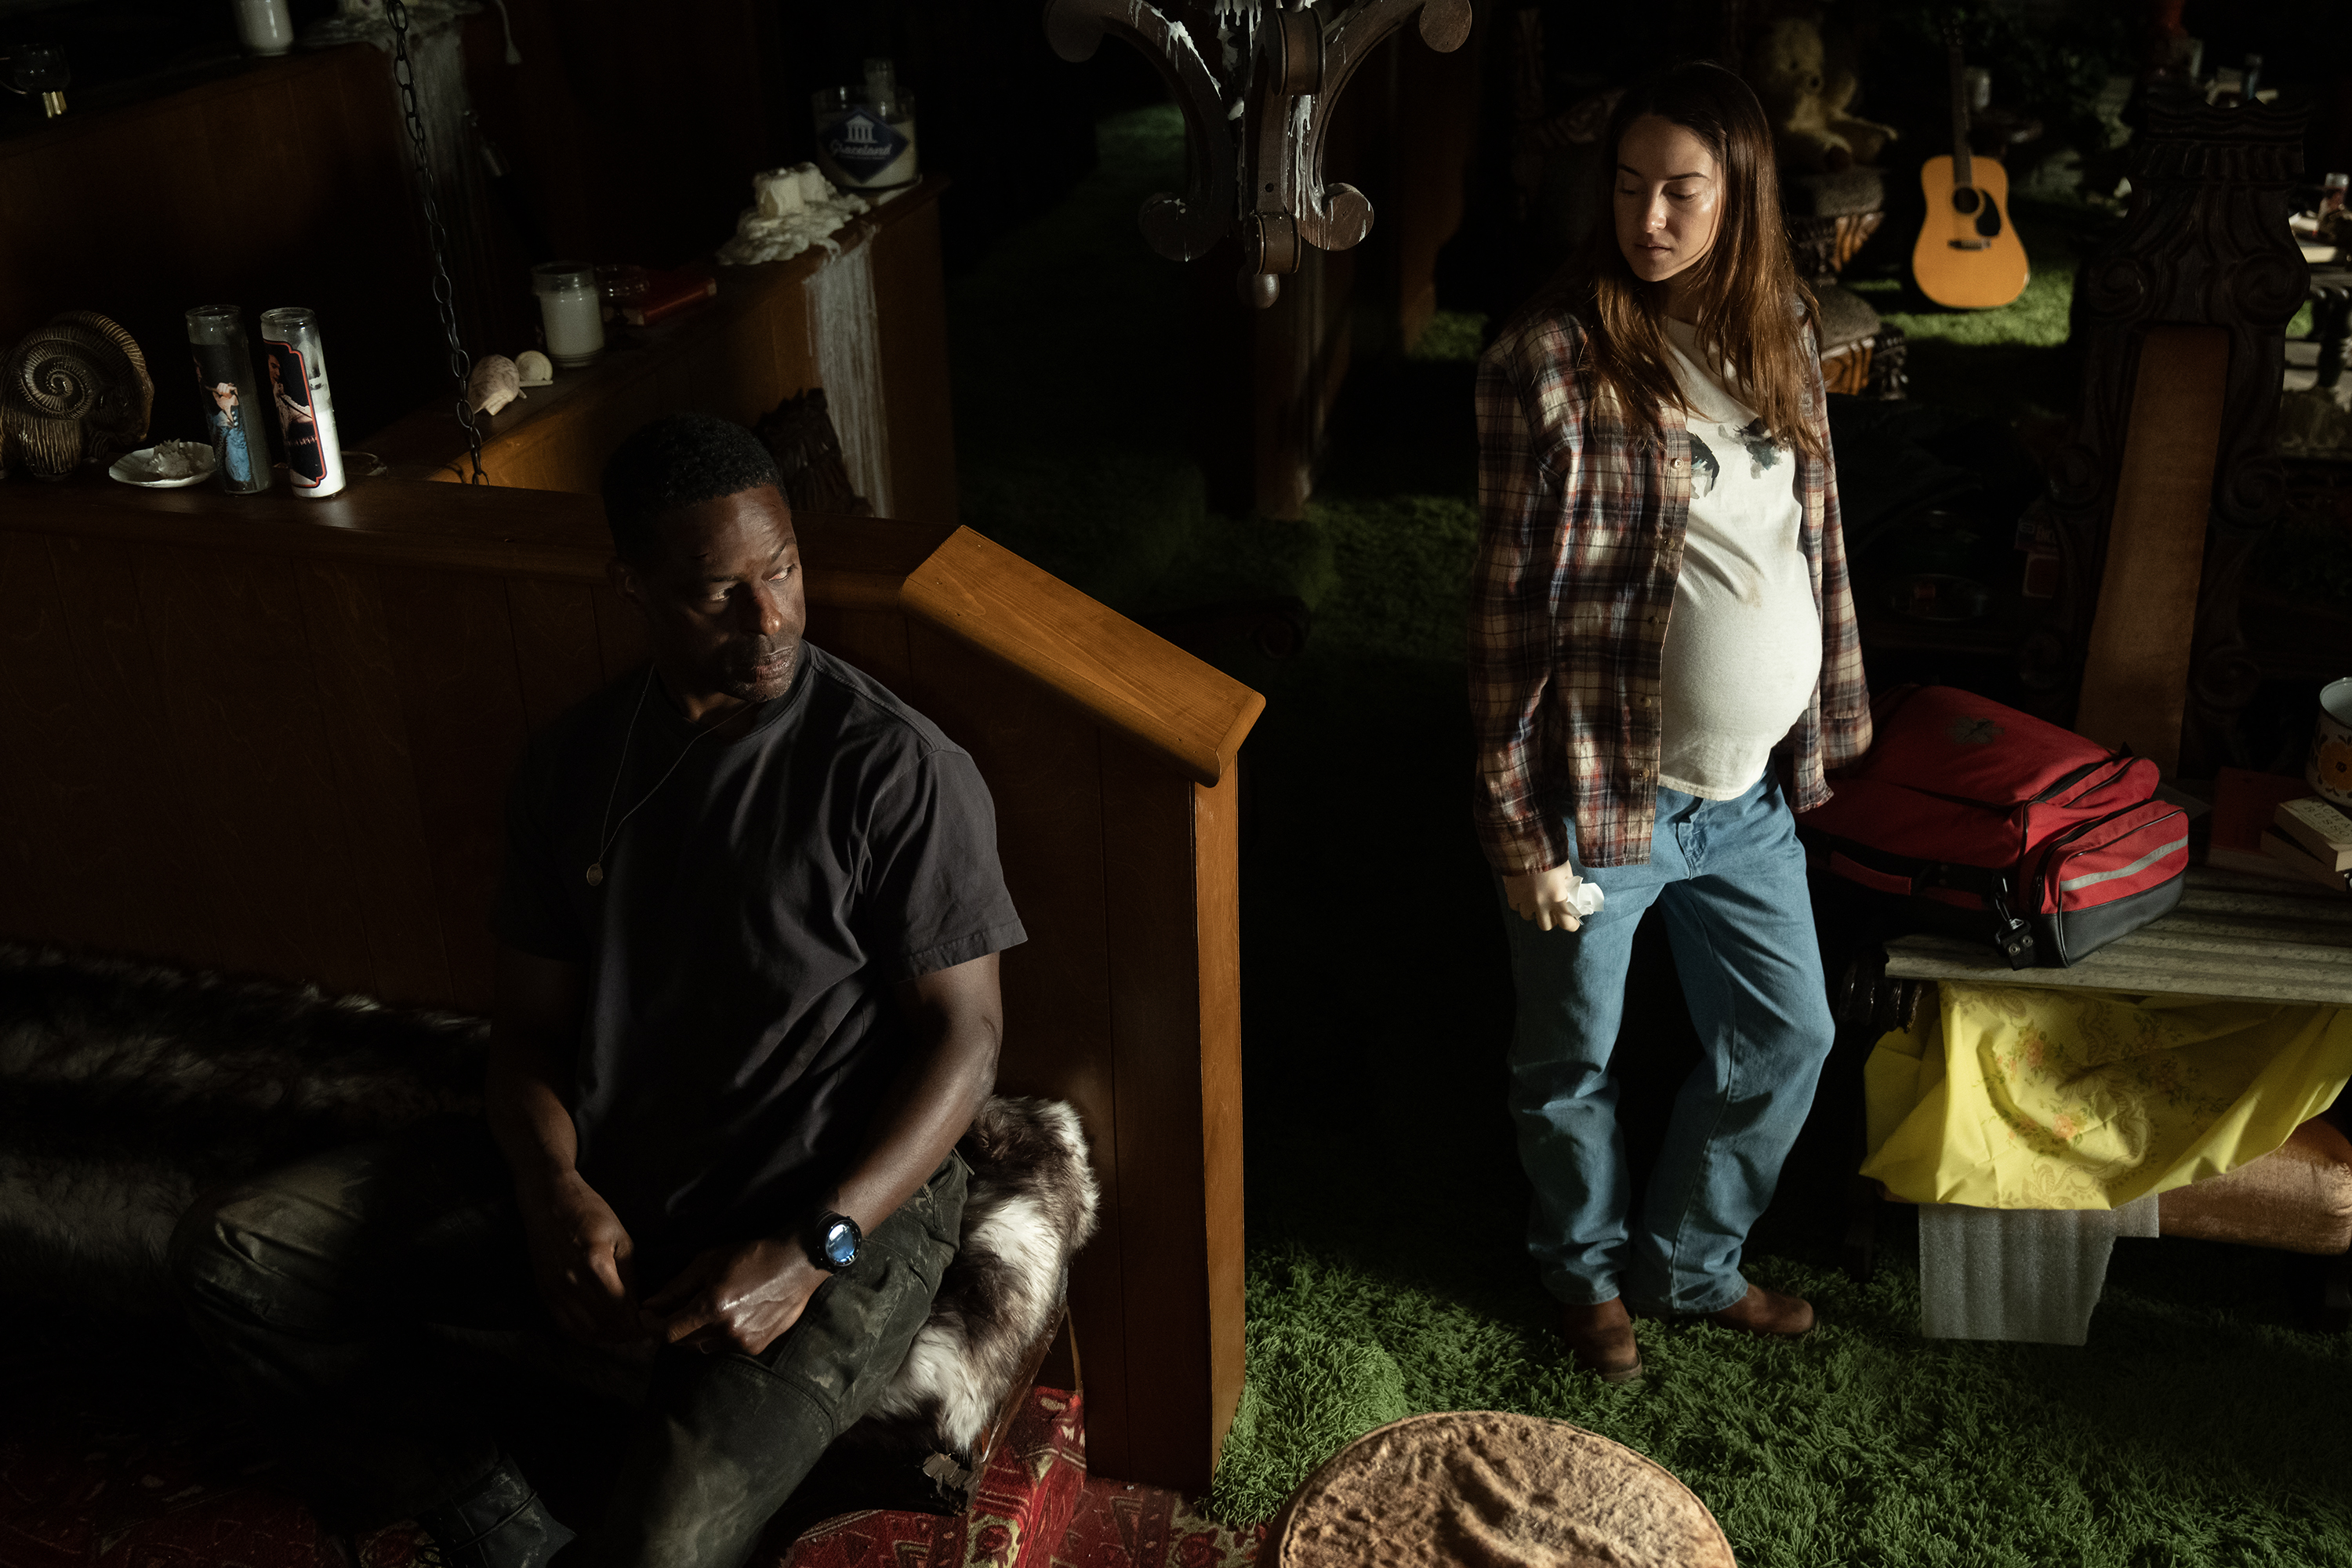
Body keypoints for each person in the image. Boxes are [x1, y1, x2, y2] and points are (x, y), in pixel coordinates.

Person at [171, 413, 1025, 1568]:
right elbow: (527, 1032)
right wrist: (552, 1187)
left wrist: (812, 1247)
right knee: (237, 1252)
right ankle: (489, 1517)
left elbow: (967, 1042)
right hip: (617, 1175)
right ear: (629, 582)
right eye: (714, 591)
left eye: (780, 572)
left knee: (664, 1546)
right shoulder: (573, 764)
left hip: (827, 1206)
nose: (766, 618)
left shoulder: (892, 766)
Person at [1470, 62, 1871, 1384]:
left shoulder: (1782, 336)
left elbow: (1814, 544)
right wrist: (1518, 831)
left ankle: (1691, 1264)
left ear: (1738, 199)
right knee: (1569, 1057)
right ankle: (1582, 1277)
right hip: (1602, 792)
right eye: (1631, 187)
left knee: (1789, 1034)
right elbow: (1505, 614)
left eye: (1683, 193)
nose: (1650, 216)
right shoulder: (1549, 358)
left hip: (1744, 799)